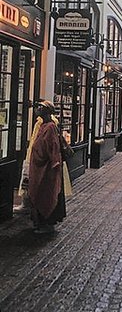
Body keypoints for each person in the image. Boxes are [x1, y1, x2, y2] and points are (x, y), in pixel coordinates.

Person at [28, 100, 66, 234]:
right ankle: (40, 222)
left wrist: (54, 163)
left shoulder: (50, 127)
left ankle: (46, 224)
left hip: (46, 169)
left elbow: (52, 147)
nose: (38, 110)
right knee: (38, 192)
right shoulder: (43, 125)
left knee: (45, 194)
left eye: (40, 108)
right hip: (39, 167)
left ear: (47, 112)